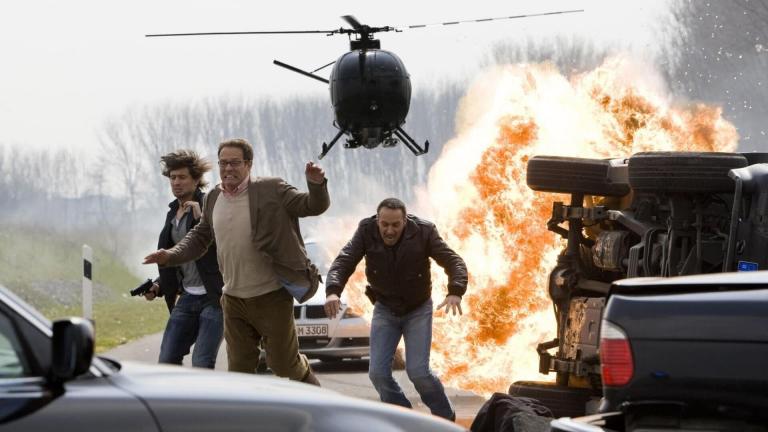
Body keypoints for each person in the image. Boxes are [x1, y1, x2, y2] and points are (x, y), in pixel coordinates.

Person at [143, 138, 329, 386]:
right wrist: (171, 255)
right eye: (223, 163)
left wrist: (316, 185)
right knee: (239, 372)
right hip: (233, 300)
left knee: (284, 365)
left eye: (234, 163)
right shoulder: (213, 198)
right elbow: (200, 237)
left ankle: (317, 396)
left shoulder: (271, 189)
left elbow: (312, 206)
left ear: (248, 164)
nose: (228, 168)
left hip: (271, 296)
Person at [324, 198, 468, 421]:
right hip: (385, 308)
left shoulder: (424, 231)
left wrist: (455, 291)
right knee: (378, 374)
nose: (389, 230)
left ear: (405, 221)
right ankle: (404, 418)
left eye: (395, 225)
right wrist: (333, 291)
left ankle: (445, 418)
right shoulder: (366, 230)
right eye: (384, 224)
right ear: (377, 221)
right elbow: (345, 260)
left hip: (418, 308)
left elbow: (453, 261)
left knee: (418, 372)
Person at [143, 150, 224, 369]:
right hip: (188, 296)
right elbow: (177, 257)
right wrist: (158, 286)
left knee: (202, 362)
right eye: (172, 177)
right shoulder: (172, 213)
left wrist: (201, 218)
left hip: (215, 297)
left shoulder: (210, 205)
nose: (176, 182)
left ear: (196, 180)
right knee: (167, 360)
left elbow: (223, 247)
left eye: (182, 177)